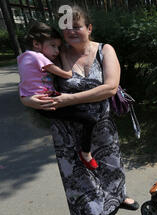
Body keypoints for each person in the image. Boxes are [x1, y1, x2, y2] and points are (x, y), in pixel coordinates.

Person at [20, 5, 139, 215]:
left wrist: (68, 99)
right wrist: (29, 102)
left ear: (89, 28)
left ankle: (117, 198)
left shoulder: (105, 50)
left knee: (110, 163)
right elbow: (29, 81)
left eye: (77, 26)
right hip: (67, 127)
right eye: (66, 28)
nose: (71, 31)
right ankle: (94, 213)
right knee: (78, 172)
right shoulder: (55, 52)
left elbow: (110, 87)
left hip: (102, 123)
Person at [17, 21, 98, 170]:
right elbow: (67, 74)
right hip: (48, 101)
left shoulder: (23, 57)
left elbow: (25, 83)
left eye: (59, 47)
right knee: (90, 119)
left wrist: (25, 99)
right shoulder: (39, 58)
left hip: (39, 101)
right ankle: (85, 152)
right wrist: (65, 60)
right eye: (53, 46)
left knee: (79, 114)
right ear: (36, 44)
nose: (56, 51)